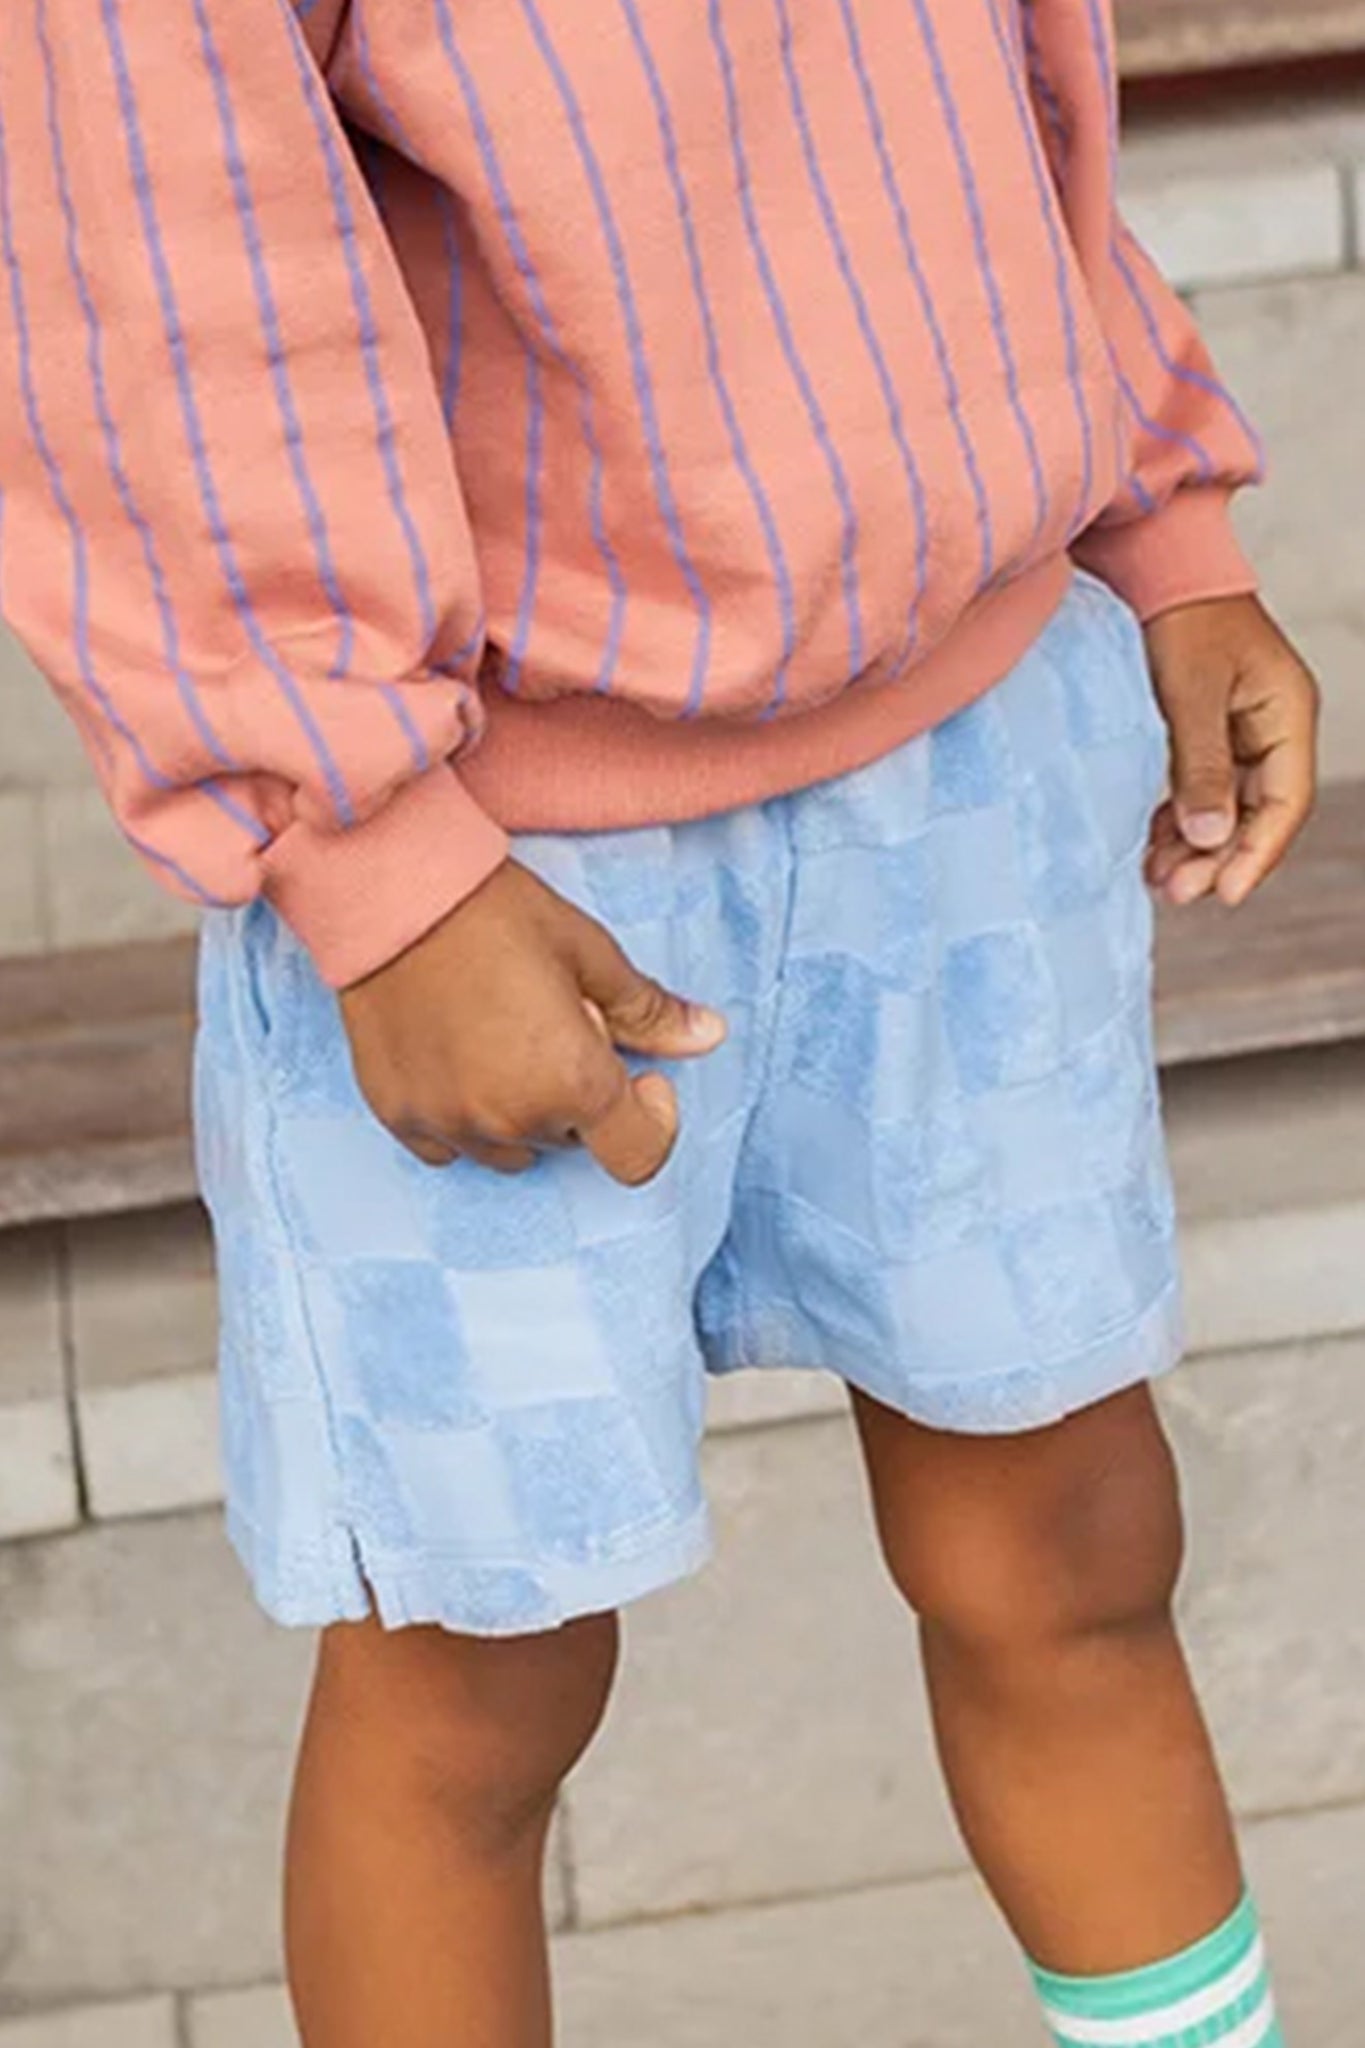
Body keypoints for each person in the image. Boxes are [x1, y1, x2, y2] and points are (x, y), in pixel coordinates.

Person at [0, 2, 1318, 2043]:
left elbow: (985, 80)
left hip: (963, 774)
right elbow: (151, 260)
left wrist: (1159, 517)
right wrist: (373, 859)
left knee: (1066, 1544)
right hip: (489, 864)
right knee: (472, 1675)